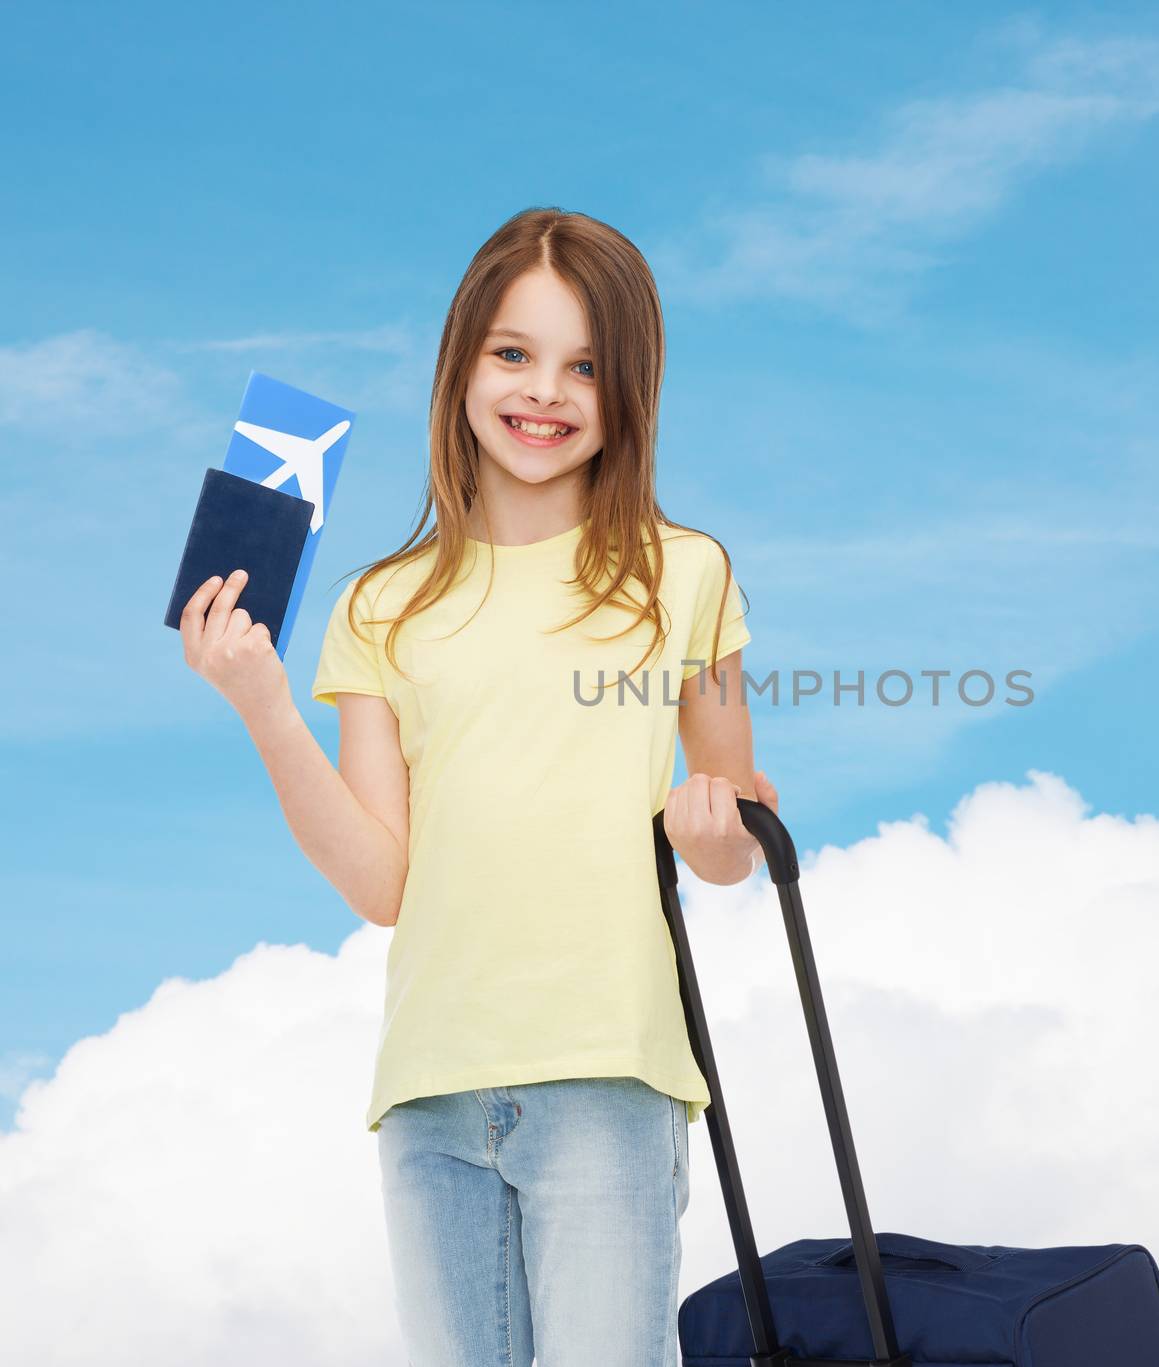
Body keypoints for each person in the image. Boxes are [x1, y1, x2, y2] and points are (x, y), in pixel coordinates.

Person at [178, 206, 778, 1366]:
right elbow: (382, 880)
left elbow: (729, 824)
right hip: (432, 1087)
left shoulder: (683, 572)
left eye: (585, 365)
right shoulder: (378, 604)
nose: (544, 391)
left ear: (630, 389)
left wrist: (716, 823)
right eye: (513, 353)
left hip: (609, 1068)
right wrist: (261, 704)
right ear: (461, 363)